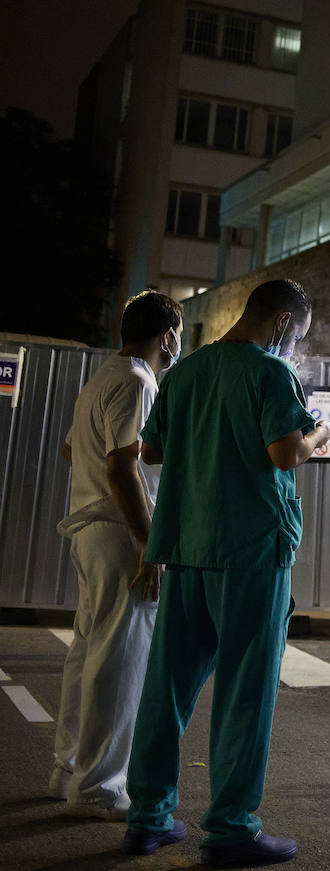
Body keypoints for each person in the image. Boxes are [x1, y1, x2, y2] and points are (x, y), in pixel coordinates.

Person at [122, 279, 330, 867]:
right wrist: (321, 432)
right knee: (246, 691)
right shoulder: (270, 372)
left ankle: (147, 819)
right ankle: (232, 828)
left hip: (188, 545)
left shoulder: (185, 373)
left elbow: (152, 451)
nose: (294, 347)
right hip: (251, 551)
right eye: (297, 335)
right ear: (281, 323)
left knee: (167, 687)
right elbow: (285, 452)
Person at [49, 290, 182, 819]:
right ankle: (101, 787)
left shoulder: (103, 377)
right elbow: (123, 466)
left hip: (91, 531)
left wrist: (93, 485)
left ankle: (68, 770)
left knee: (88, 653)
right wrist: (149, 541)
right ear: (167, 334)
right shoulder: (138, 380)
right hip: (118, 533)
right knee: (120, 659)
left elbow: (70, 448)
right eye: (180, 333)